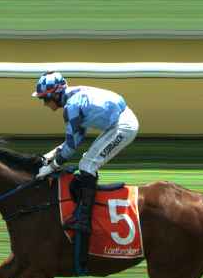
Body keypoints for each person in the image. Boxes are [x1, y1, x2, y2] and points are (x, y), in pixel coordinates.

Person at [30, 72, 138, 237]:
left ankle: (83, 221)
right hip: (118, 121)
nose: (44, 104)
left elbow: (71, 146)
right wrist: (50, 156)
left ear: (55, 95)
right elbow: (76, 138)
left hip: (123, 126)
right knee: (86, 163)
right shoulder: (73, 98)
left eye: (45, 99)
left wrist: (51, 167)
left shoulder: (71, 107)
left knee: (87, 165)